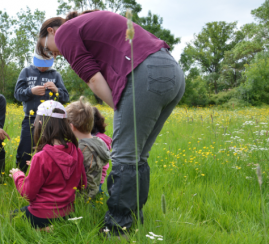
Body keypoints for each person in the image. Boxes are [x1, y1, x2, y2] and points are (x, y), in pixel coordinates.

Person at [36, 10, 185, 236]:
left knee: (124, 156)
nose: (52, 54)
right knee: (137, 156)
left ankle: (117, 229)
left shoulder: (65, 31)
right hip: (172, 71)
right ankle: (134, 219)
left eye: (46, 48)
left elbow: (94, 79)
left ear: (51, 31)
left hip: (144, 72)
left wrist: (121, 108)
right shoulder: (89, 22)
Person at [9, 100, 87, 229]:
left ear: (40, 124)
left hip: (41, 215)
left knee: (12, 216)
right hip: (68, 213)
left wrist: (18, 175)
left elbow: (28, 194)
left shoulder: (41, 157)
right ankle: (54, 227)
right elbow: (82, 184)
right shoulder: (76, 151)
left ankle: (44, 228)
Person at [14, 52, 70, 171]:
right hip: (30, 118)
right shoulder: (26, 72)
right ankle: (20, 176)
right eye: (39, 65)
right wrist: (31, 91)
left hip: (51, 120)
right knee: (25, 149)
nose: (42, 68)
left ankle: (48, 175)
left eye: (45, 65)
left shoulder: (55, 75)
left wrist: (56, 90)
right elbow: (17, 94)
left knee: (50, 149)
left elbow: (65, 97)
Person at [66, 96, 109, 199]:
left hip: (81, 196)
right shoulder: (99, 142)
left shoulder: (81, 149)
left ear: (72, 127)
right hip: (94, 189)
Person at [91, 106, 112, 196]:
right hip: (101, 176)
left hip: (94, 177)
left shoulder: (95, 140)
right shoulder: (103, 137)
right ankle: (101, 193)